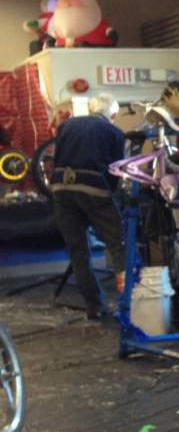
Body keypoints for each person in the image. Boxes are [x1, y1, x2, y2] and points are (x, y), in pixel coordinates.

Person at [48, 94, 127, 320]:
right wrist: (112, 195)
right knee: (119, 243)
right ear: (112, 115)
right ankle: (130, 304)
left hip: (61, 188)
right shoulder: (114, 132)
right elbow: (116, 170)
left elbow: (57, 156)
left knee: (78, 251)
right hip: (93, 189)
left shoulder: (66, 126)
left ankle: (94, 306)